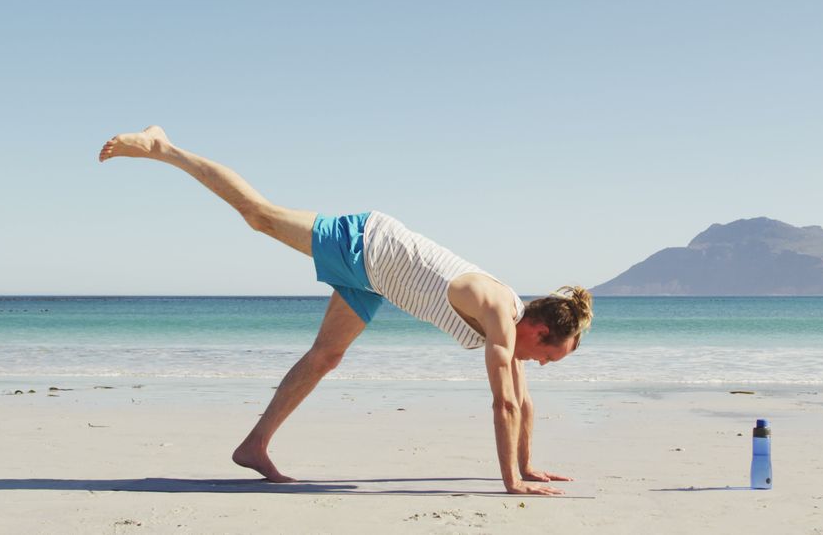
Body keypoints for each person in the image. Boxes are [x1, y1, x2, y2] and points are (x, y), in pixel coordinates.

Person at [98, 126, 594, 496]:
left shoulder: (511, 328)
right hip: (365, 244)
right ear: (538, 328)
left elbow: (522, 402)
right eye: (550, 357)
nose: (544, 365)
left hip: (375, 280)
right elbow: (503, 404)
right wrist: (512, 482)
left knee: (324, 357)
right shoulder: (496, 312)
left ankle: (253, 447)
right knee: (259, 216)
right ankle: (163, 147)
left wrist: (528, 465)